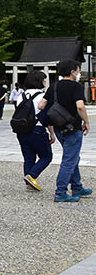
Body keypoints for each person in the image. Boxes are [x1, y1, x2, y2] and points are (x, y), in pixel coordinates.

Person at [43, 59, 91, 203]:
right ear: (72, 72)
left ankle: (77, 187)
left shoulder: (54, 87)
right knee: (69, 160)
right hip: (72, 128)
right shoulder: (76, 87)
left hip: (58, 128)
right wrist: (86, 122)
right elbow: (80, 106)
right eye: (78, 70)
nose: (79, 73)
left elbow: (41, 105)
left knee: (72, 157)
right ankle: (61, 192)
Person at [16, 70, 53, 192]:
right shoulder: (42, 96)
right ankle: (32, 176)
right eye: (44, 80)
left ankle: (29, 182)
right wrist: (52, 133)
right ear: (39, 81)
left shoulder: (21, 95)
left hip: (22, 130)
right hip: (37, 129)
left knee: (29, 157)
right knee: (47, 156)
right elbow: (47, 117)